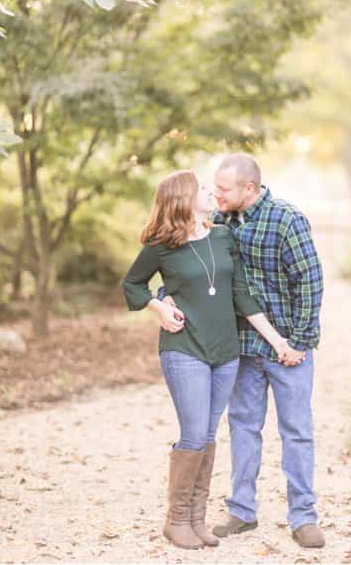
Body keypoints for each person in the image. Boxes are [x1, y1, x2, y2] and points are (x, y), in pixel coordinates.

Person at [122, 170, 295, 550]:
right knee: (194, 432)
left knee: (208, 434)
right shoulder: (161, 244)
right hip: (184, 349)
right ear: (183, 199)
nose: (209, 192)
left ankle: (197, 520)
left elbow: (241, 295)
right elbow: (132, 284)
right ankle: (176, 520)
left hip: (225, 352)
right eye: (202, 188)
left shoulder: (222, 235)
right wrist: (158, 307)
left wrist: (278, 341)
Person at [163, 154, 325, 549]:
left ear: (249, 189)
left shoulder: (287, 219)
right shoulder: (217, 223)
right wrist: (164, 300)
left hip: (290, 349)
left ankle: (303, 517)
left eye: (223, 189)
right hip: (243, 348)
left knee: (297, 432)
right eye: (214, 188)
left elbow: (310, 282)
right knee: (243, 428)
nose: (215, 194)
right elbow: (192, 268)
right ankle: (241, 510)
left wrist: (299, 343)